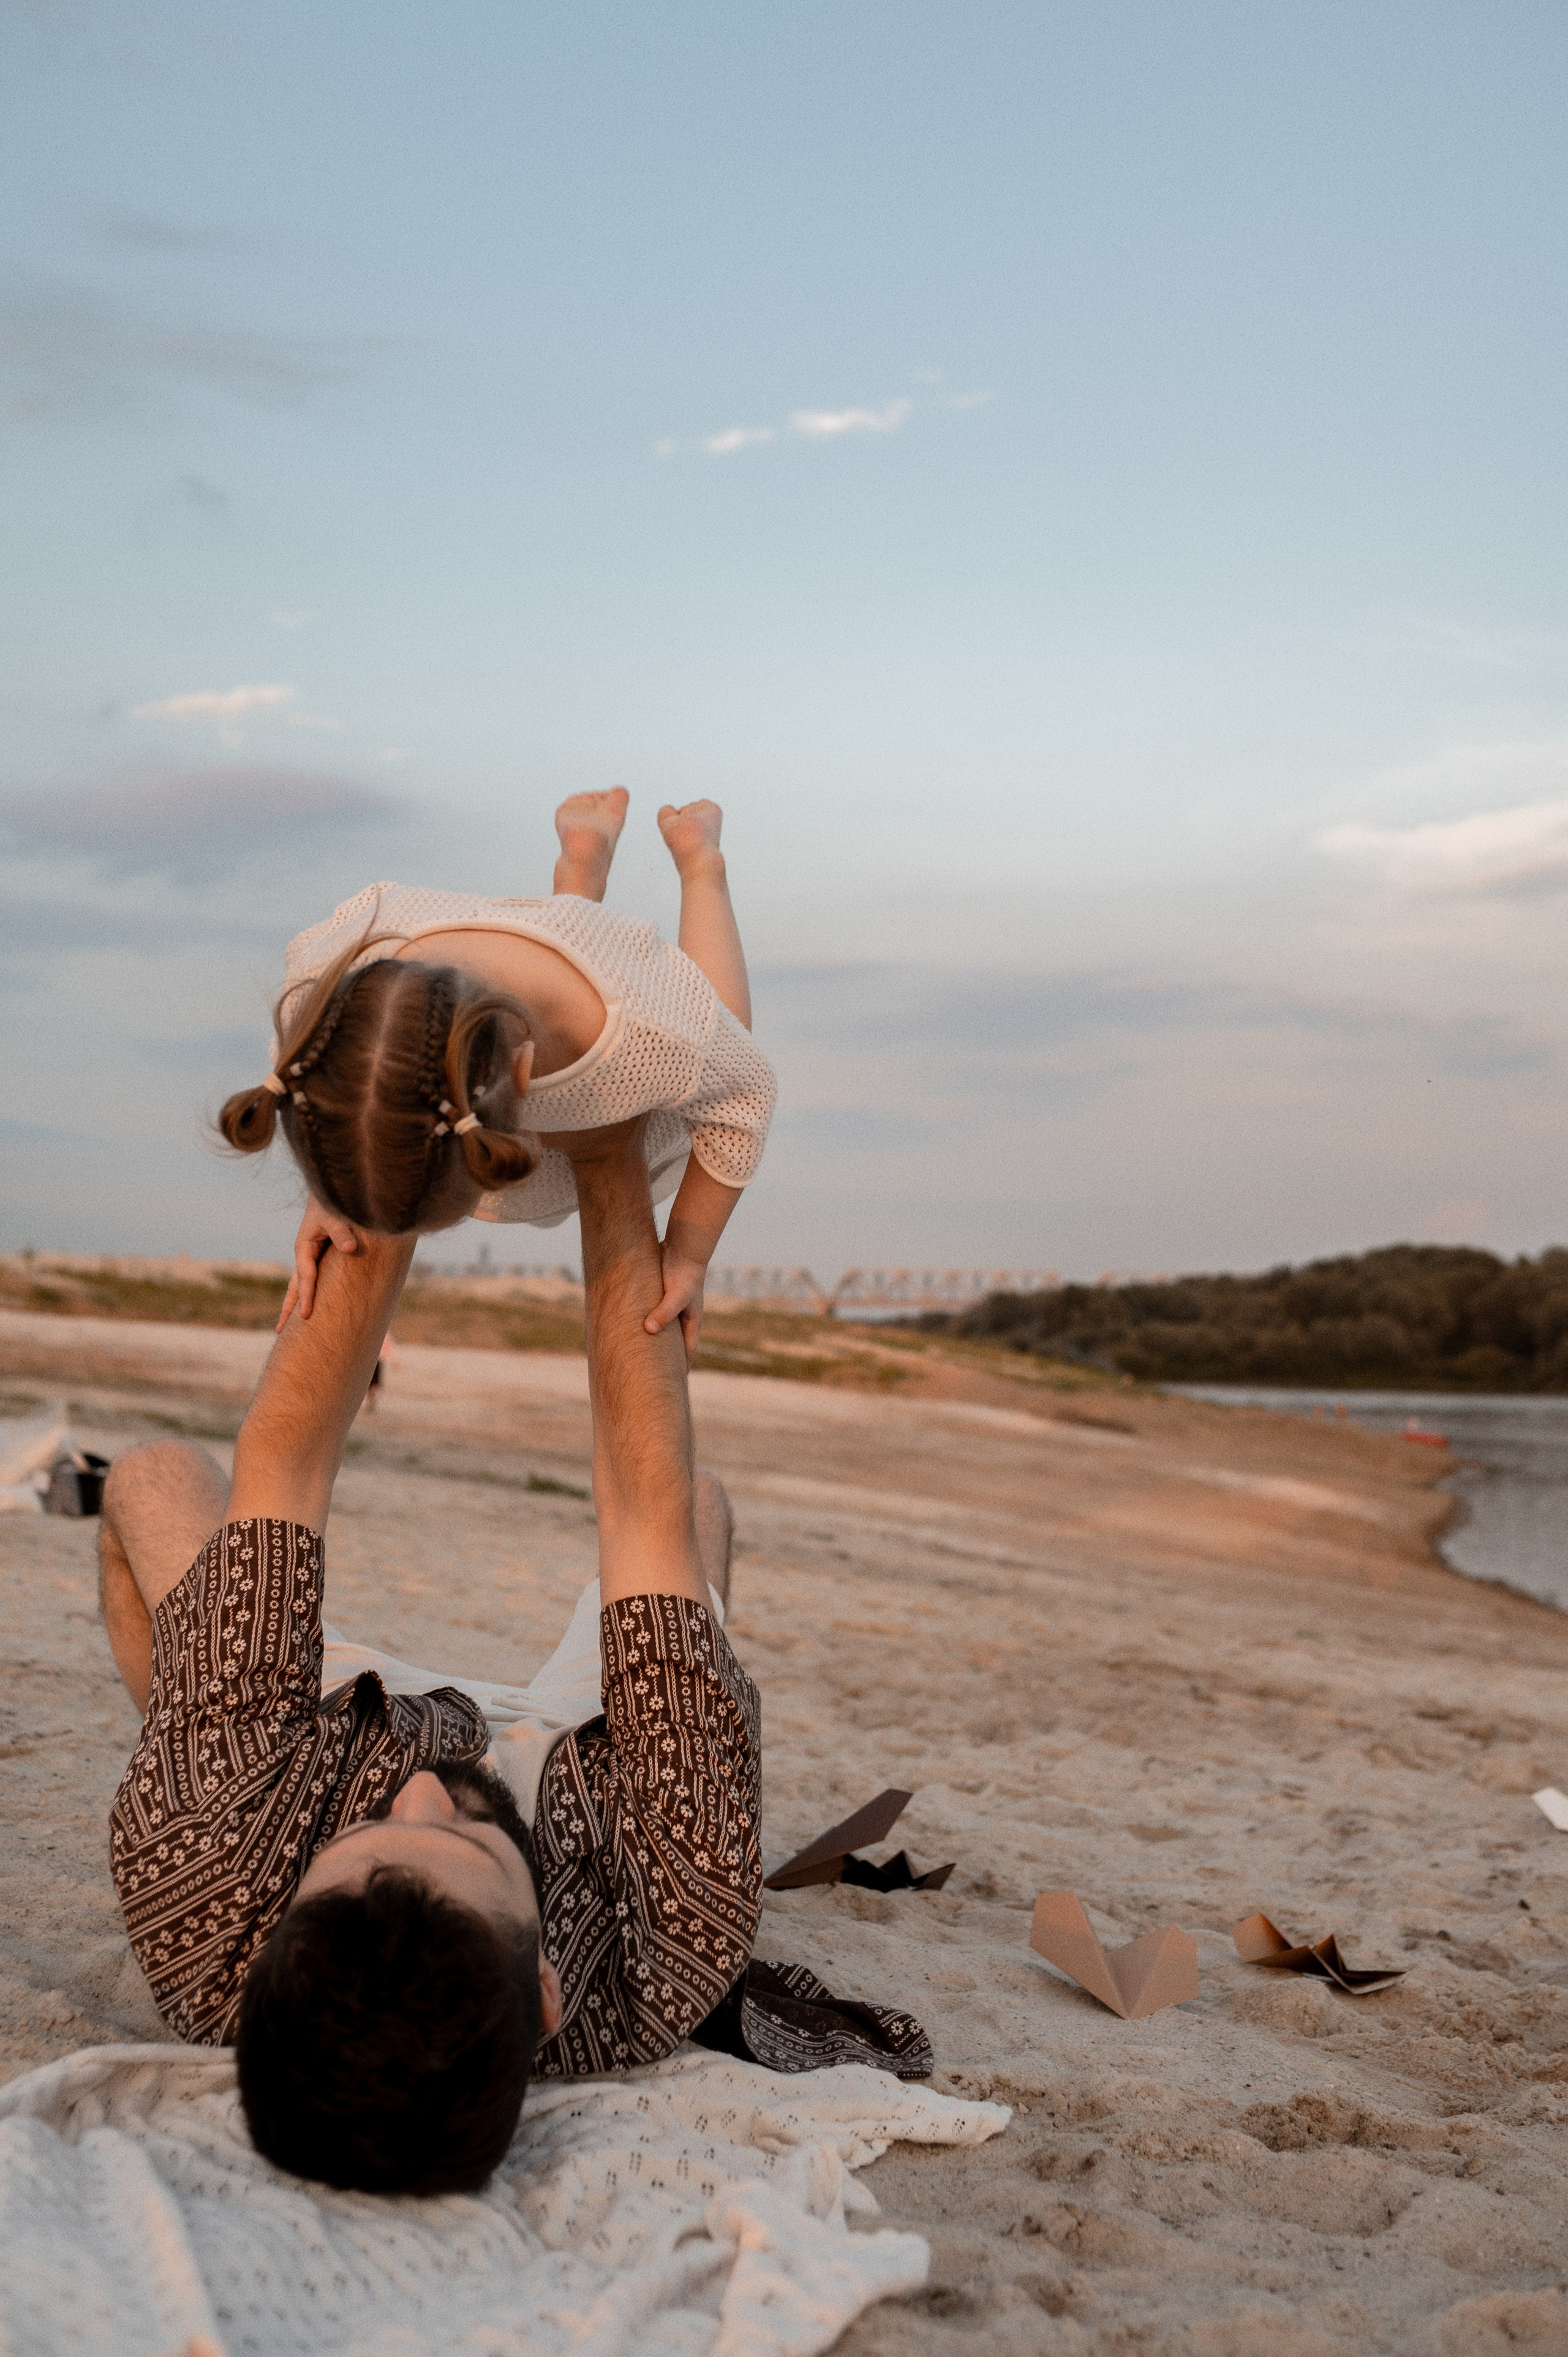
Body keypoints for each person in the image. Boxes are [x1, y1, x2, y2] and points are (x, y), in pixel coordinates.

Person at [99, 1120, 928, 2198]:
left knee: (155, 1477)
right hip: (585, 1779)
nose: (424, 1797)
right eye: (469, 1851)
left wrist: (382, 1167)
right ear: (544, 1988)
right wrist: (610, 1145)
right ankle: (225, 1719)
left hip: (323, 1745)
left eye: (368, 1841)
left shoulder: (208, 1882)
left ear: (269, 1946)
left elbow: (287, 1465)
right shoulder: (675, 1938)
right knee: (696, 1515)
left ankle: (210, 1724)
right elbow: (645, 1510)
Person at [217, 791, 774, 1363]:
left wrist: (687, 1251)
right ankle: (581, 867)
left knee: (724, 1031)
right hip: (447, 937)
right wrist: (331, 1186)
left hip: (601, 978)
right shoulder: (317, 1000)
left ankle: (701, 862)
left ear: (525, 1073)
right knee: (564, 934)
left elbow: (744, 1097)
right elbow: (334, 1077)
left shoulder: (645, 1037)